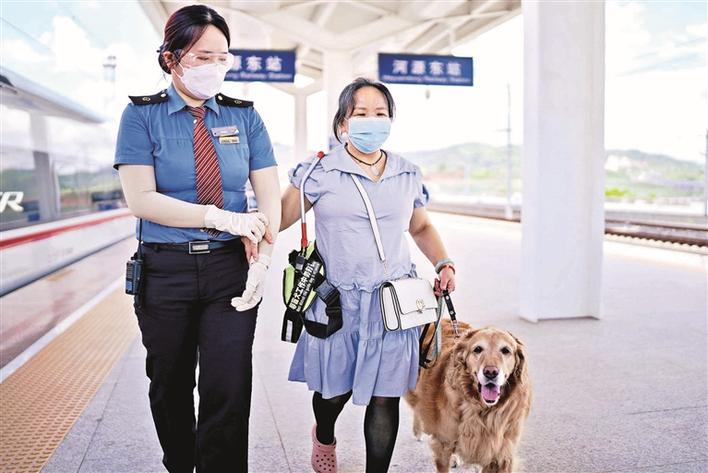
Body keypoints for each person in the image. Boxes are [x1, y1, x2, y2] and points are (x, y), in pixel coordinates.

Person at [114, 5, 280, 472]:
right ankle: (180, 463)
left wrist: (264, 260)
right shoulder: (141, 116)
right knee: (169, 383)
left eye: (223, 58)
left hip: (229, 269)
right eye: (203, 57)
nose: (215, 67)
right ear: (171, 58)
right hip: (165, 270)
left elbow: (269, 197)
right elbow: (141, 199)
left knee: (229, 385)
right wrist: (219, 217)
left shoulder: (245, 118)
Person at [280, 77, 456, 473]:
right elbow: (280, 217)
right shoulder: (319, 172)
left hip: (392, 304)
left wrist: (443, 263)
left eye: (380, 113)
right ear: (343, 122)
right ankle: (325, 434)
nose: (371, 120)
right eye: (361, 113)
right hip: (337, 304)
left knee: (385, 396)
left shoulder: (406, 174)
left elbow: (421, 227)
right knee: (333, 393)